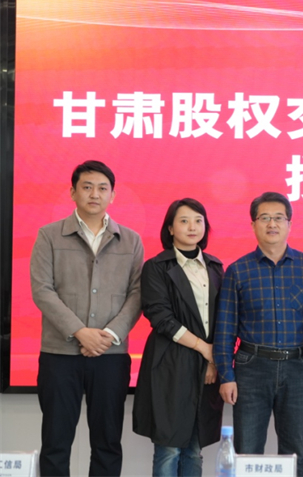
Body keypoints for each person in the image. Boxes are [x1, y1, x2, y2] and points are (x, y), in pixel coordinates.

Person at [30, 160, 143, 477]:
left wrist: (109, 335)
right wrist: (80, 331)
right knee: (56, 442)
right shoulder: (49, 235)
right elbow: (42, 290)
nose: (95, 194)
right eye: (87, 187)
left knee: (107, 444)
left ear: (113, 195)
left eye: (102, 188)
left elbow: (137, 294)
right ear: (73, 192)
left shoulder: (131, 240)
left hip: (111, 355)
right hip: (59, 354)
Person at [212, 192, 303, 477]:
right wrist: (226, 376)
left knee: (295, 451)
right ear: (253, 225)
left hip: (297, 367)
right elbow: (225, 329)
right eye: (264, 218)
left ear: (289, 224)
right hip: (252, 368)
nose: (272, 224)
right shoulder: (238, 271)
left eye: (279, 218)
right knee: (247, 450)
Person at [133, 198, 225, 476]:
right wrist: (203, 348)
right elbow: (160, 317)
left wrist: (212, 360)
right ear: (170, 228)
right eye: (184, 221)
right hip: (169, 363)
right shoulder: (156, 267)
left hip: (205, 364)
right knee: (169, 448)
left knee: (195, 448)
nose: (192, 227)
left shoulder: (215, 266)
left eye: (198, 221)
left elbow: (223, 319)